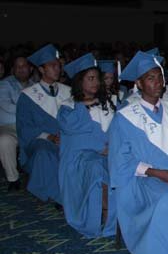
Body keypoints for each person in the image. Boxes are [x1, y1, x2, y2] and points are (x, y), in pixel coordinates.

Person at [107, 51, 168, 254]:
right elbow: (120, 160)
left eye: (160, 77)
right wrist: (156, 173)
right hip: (143, 179)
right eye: (150, 78)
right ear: (139, 83)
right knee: (165, 200)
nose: (157, 83)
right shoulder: (125, 117)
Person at [58, 54, 117, 237]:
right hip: (79, 158)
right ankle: (105, 216)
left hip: (110, 152)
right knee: (97, 167)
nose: (96, 82)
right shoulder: (69, 108)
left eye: (97, 78)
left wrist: (112, 147)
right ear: (79, 81)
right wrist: (101, 148)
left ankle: (117, 216)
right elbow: (74, 140)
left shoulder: (109, 103)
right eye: (90, 78)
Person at [16, 44, 71, 203]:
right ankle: (59, 196)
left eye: (58, 65)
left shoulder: (68, 91)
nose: (57, 69)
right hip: (41, 139)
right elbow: (25, 128)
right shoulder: (28, 96)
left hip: (67, 138)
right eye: (52, 66)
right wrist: (49, 137)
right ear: (41, 69)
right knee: (44, 153)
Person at [0, 54, 33, 191]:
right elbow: (6, 106)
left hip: (31, 126)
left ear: (30, 68)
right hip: (10, 126)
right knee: (4, 140)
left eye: (24, 66)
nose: (20, 69)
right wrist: (31, 110)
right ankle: (13, 178)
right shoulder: (4, 84)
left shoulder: (36, 86)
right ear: (13, 69)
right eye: (17, 66)